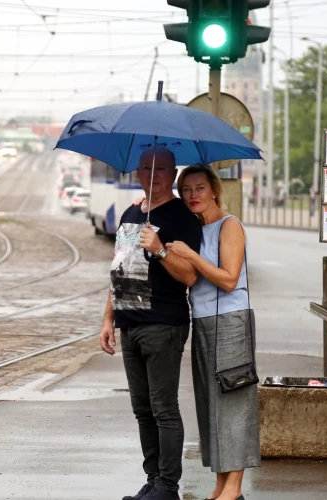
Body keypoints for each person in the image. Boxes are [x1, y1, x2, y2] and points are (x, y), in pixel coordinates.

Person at [99, 147, 202, 500]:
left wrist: (159, 249)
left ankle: (168, 486)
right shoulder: (130, 213)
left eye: (161, 169)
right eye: (146, 168)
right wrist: (108, 319)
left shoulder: (182, 216)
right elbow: (121, 270)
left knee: (163, 407)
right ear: (138, 173)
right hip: (130, 322)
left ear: (172, 174)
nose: (153, 174)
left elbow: (190, 276)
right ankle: (153, 478)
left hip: (163, 323)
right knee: (142, 409)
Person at [165, 165, 260, 500]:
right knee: (211, 403)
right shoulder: (193, 227)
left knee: (234, 401)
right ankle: (221, 483)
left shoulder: (229, 226)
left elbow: (229, 278)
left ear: (214, 190)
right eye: (186, 189)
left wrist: (190, 254)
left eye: (200, 188)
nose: (193, 195)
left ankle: (233, 488)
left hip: (231, 321)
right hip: (204, 322)